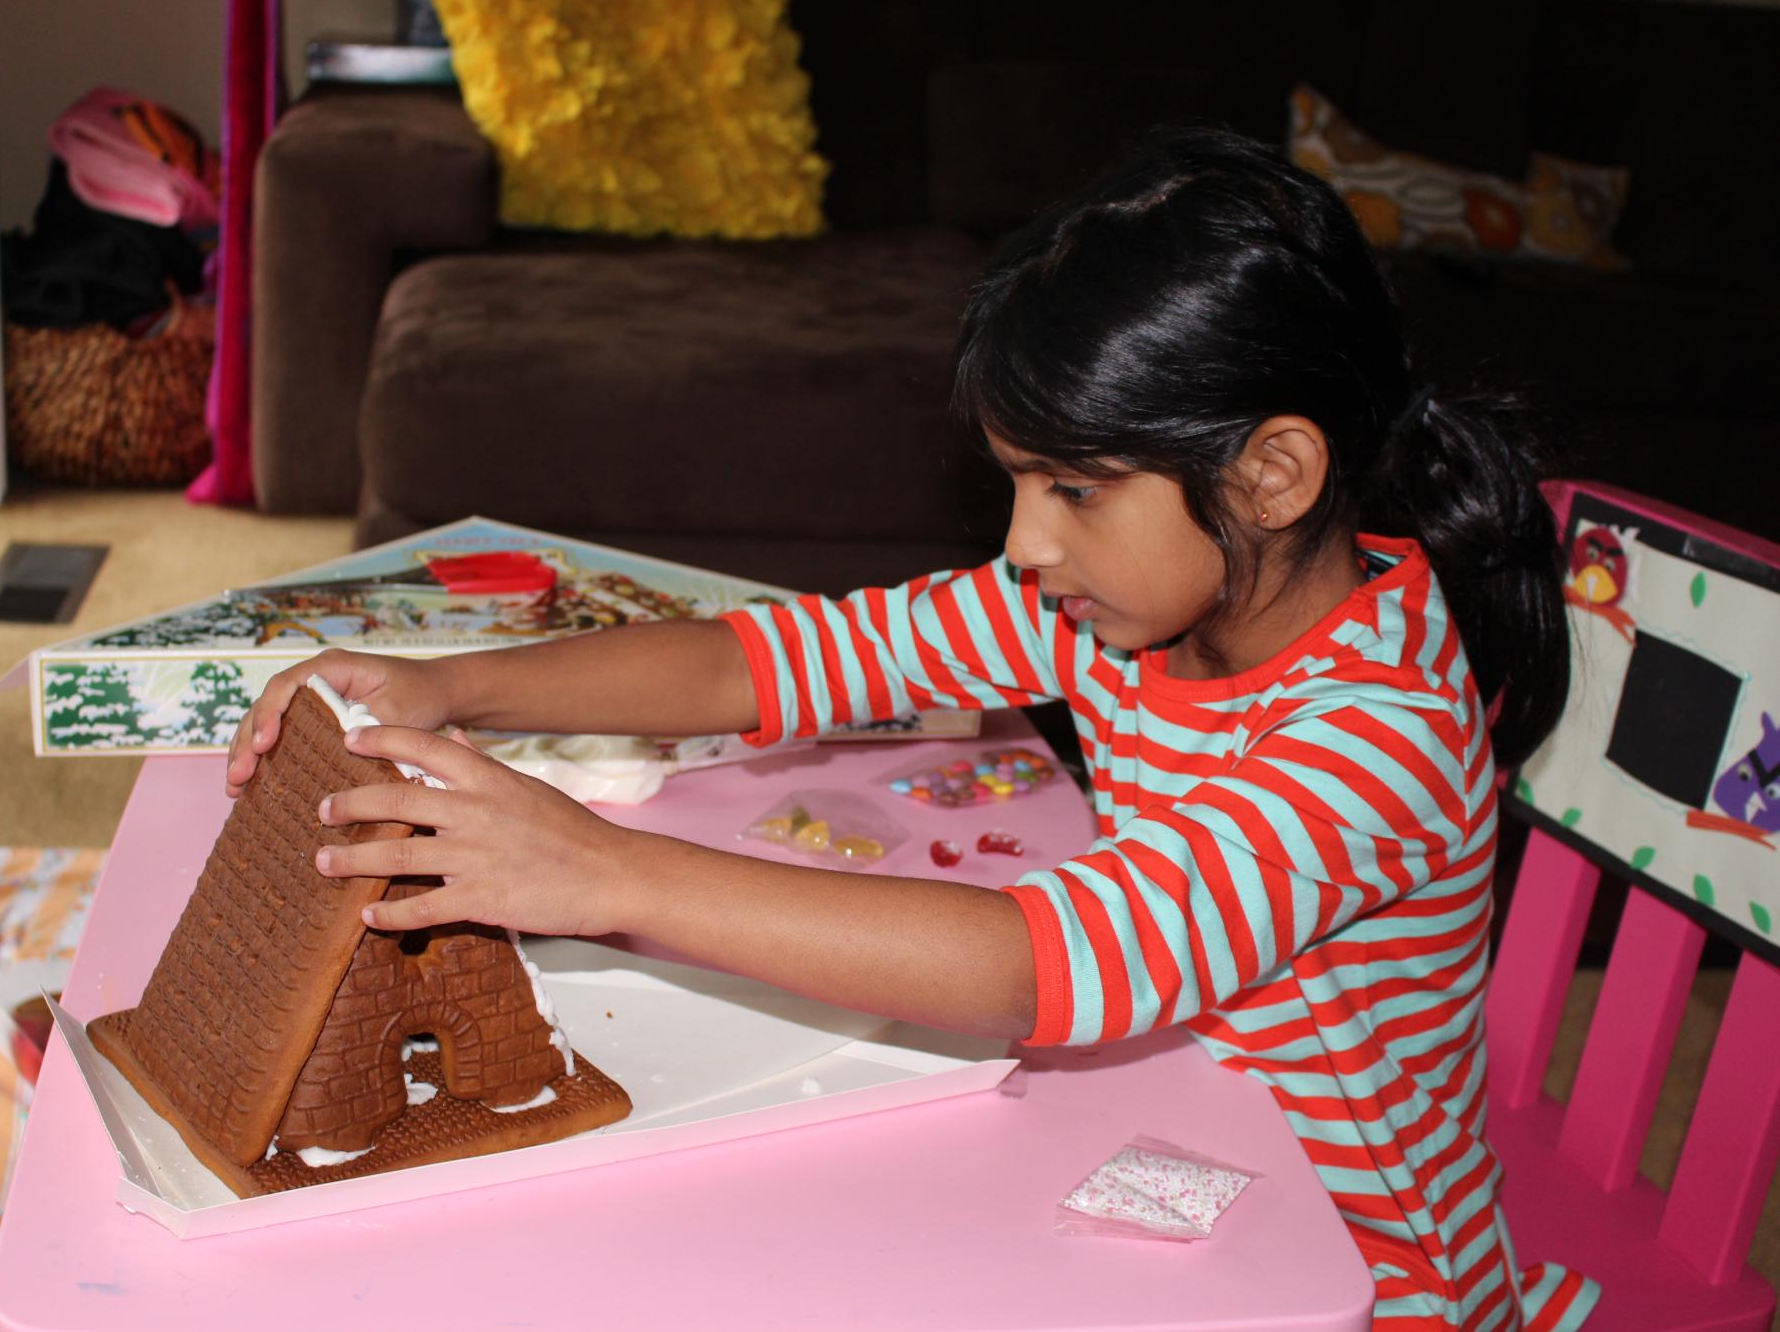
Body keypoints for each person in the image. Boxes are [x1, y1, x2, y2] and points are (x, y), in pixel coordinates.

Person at [226, 129, 1586, 1330]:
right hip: (1178, 1132)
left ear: (1271, 472)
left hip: (1365, 1275)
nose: (1024, 546)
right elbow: (769, 664)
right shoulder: (1125, 598)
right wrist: (451, 682)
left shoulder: (1375, 736)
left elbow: (1035, 964)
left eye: (1070, 488)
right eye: (1014, 485)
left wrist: (599, 870)